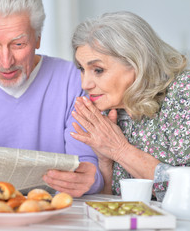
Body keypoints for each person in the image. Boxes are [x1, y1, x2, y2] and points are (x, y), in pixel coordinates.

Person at [0, 0, 103, 197]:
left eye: (18, 44)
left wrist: (90, 179)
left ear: (38, 39)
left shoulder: (75, 80)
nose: (6, 61)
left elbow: (88, 167)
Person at [70, 11, 190, 201]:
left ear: (136, 64)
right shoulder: (110, 111)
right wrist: (105, 161)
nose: (85, 84)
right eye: (82, 69)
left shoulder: (184, 92)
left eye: (98, 70)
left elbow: (186, 192)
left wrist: (120, 150)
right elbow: (111, 203)